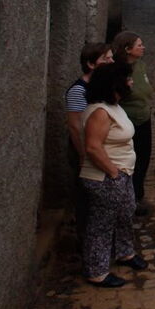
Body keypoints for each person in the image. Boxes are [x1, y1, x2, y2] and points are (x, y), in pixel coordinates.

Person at [80, 62, 148, 287]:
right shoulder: (99, 112)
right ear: (114, 84)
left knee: (125, 213)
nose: (131, 82)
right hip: (104, 177)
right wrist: (112, 172)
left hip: (121, 174)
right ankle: (96, 271)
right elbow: (92, 147)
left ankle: (125, 253)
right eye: (127, 79)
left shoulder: (113, 105)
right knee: (102, 224)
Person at [65, 43, 114, 243]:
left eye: (111, 58)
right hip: (87, 151)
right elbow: (75, 127)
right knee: (87, 198)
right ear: (91, 64)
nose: (111, 61)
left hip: (100, 150)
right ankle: (87, 241)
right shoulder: (78, 90)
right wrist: (84, 156)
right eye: (106, 59)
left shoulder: (100, 86)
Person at [111, 31, 153, 215]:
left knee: (143, 158)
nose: (143, 47)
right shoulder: (117, 71)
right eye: (139, 45)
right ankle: (128, 199)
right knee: (128, 161)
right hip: (127, 122)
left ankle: (138, 195)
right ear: (127, 49)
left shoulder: (140, 65)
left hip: (144, 118)